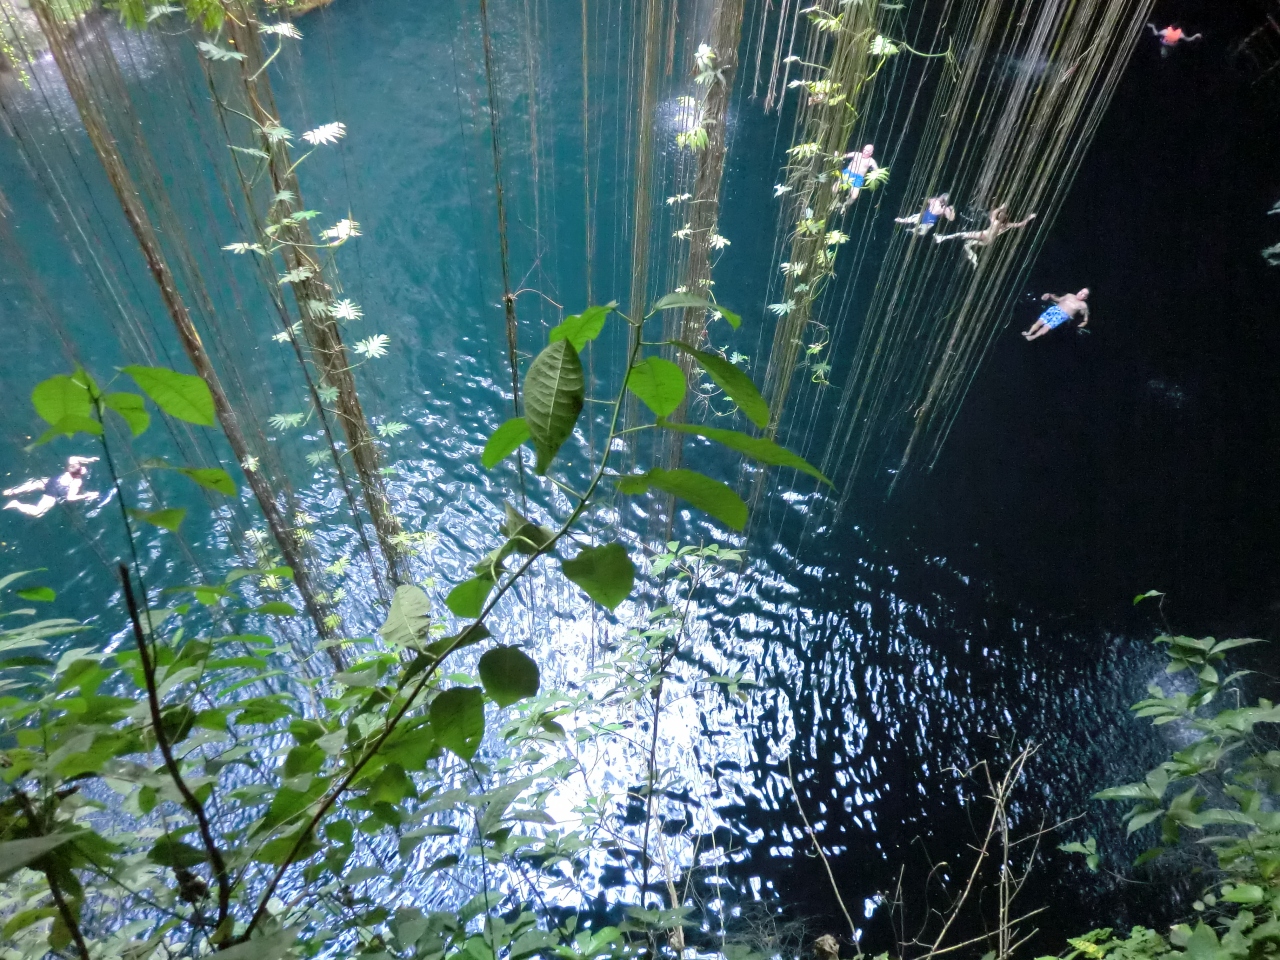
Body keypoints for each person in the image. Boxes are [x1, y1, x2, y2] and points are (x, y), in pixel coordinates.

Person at [934, 204, 1036, 267]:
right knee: (967, 244)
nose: (999, 215)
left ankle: (941, 238)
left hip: (984, 236)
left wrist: (1001, 208)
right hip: (987, 239)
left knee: (962, 234)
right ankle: (974, 259)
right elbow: (1020, 224)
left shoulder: (996, 222)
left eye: (1001, 215)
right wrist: (1029, 217)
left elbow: (1020, 224)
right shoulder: (1004, 224)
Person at [3, 456, 99, 518]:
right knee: (37, 513)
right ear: (78, 474)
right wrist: (87, 495)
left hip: (48, 482)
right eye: (82, 470)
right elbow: (70, 498)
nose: (83, 469)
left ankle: (11, 492)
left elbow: (73, 458)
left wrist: (88, 460)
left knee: (34, 484)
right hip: (52, 495)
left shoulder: (71, 466)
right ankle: (16, 504)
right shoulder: (77, 482)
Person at [1023, 289, 1090, 340]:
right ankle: (1029, 332)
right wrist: (1050, 295)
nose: (1081, 294)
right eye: (1081, 291)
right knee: (1040, 321)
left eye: (1084, 294)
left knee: (1047, 327)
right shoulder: (1069, 295)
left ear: (1085, 298)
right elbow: (1058, 299)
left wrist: (1083, 324)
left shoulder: (1083, 305)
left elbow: (1085, 319)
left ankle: (1033, 337)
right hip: (1055, 309)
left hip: (1062, 316)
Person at [832, 144, 879, 212]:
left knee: (854, 196)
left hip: (858, 178)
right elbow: (844, 155)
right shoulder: (856, 154)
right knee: (835, 188)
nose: (865, 152)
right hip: (847, 173)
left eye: (867, 151)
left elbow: (877, 170)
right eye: (864, 149)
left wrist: (876, 174)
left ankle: (845, 205)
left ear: (871, 153)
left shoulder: (871, 161)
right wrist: (838, 154)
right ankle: (835, 201)